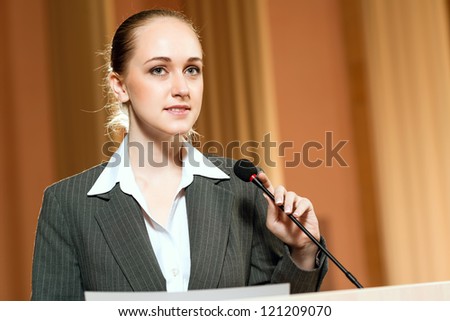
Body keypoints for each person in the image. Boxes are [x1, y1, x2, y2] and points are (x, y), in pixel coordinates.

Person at [31, 9, 328, 301]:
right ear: (119, 86)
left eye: (192, 69)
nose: (182, 88)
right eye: (158, 70)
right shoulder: (67, 206)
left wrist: (303, 251)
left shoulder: (244, 189)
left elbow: (274, 310)